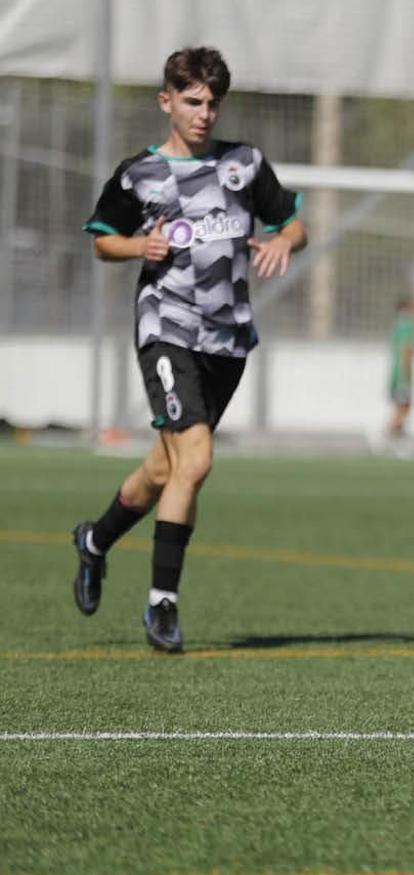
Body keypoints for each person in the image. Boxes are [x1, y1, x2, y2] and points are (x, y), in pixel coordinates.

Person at [71, 46, 308, 652]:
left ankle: (95, 541)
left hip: (227, 340)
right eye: (193, 101)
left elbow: (292, 223)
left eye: (212, 103)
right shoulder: (138, 175)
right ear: (167, 102)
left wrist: (286, 241)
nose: (204, 113)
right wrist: (138, 249)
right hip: (166, 328)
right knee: (195, 462)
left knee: (163, 469)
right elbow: (102, 243)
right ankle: (163, 606)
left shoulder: (245, 164)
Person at [385, 295, 414, 452]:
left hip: (396, 373)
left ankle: (398, 438)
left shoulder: (398, 324)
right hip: (402, 374)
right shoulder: (408, 324)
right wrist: (406, 375)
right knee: (404, 406)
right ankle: (386, 435)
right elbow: (407, 349)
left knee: (403, 406)